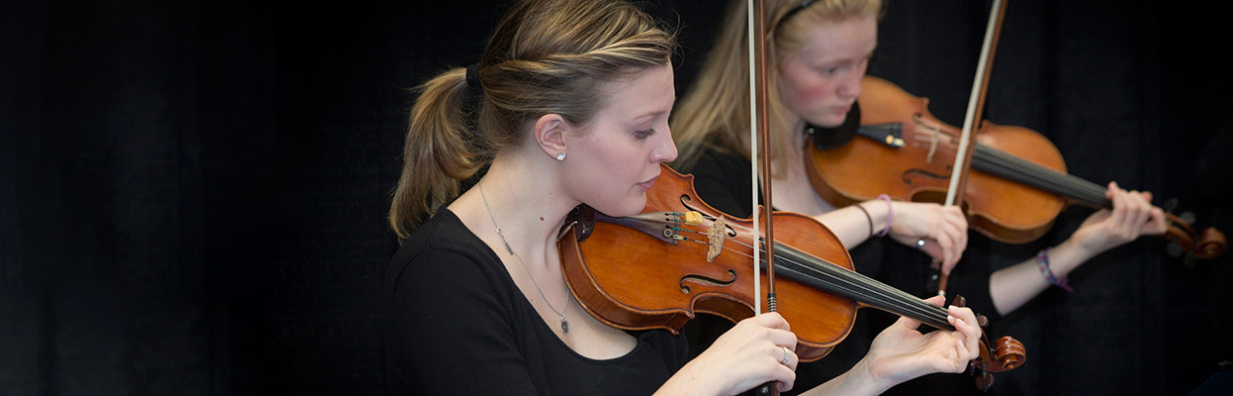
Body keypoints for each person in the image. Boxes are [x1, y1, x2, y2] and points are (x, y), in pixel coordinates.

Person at [382, 0, 984, 394]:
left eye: (665, 121)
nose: (669, 149)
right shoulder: (445, 279)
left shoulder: (629, 250)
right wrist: (698, 384)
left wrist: (870, 375)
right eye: (643, 129)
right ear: (554, 134)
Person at [668, 0, 1168, 391]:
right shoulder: (709, 170)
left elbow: (950, 305)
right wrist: (880, 214)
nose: (855, 87)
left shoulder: (853, 157)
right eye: (831, 70)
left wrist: (1075, 250)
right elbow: (747, 249)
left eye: (863, 61)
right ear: (764, 58)